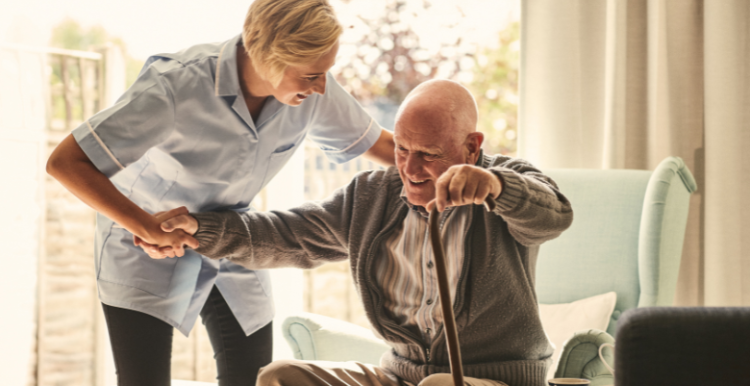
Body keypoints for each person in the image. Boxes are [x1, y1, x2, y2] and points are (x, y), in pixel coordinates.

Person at [45, 0, 396, 385]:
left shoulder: (311, 92)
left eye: (325, 72)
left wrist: (459, 168)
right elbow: (66, 162)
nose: (322, 86)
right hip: (144, 244)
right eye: (312, 75)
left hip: (233, 239)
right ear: (269, 56)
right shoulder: (178, 85)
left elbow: (385, 147)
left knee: (254, 377)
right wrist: (145, 226)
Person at [146, 80, 574, 386]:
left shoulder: (504, 181)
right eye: (403, 149)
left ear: (471, 146)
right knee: (280, 378)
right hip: (398, 377)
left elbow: (554, 215)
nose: (409, 169)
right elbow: (287, 234)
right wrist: (200, 230)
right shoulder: (374, 195)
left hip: (492, 380)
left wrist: (496, 188)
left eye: (429, 154)